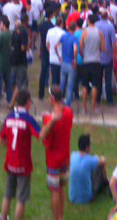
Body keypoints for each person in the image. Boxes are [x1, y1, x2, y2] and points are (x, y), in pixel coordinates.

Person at [0, 89, 41, 220]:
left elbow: (2, 139)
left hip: (10, 161)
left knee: (7, 195)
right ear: (28, 102)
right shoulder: (29, 119)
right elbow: (40, 134)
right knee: (21, 199)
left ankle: (3, 217)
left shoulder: (9, 117)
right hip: (23, 163)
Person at [41, 86, 74, 220]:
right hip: (65, 156)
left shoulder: (50, 119)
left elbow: (42, 135)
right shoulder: (69, 112)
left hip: (53, 159)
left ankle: (56, 218)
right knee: (62, 188)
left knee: (54, 190)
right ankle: (61, 216)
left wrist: (48, 119)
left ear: (52, 99)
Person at [69, 133, 107, 204]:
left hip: (72, 197)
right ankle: (105, 184)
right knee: (100, 166)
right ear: (87, 147)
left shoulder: (73, 155)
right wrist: (99, 157)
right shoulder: (90, 160)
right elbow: (104, 161)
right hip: (86, 198)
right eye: (90, 144)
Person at [79, 14, 105, 115]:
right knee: (95, 85)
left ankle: (84, 107)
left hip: (86, 61)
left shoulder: (84, 32)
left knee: (85, 86)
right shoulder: (99, 33)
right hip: (96, 61)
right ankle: (93, 107)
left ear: (88, 21)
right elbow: (103, 48)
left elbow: (81, 46)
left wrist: (83, 55)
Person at [97, 10, 117, 104]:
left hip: (98, 55)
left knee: (98, 78)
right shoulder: (110, 27)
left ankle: (97, 98)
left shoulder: (96, 25)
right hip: (108, 55)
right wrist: (115, 53)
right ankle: (109, 99)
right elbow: (113, 42)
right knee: (108, 78)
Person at [9, 19, 29, 108]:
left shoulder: (13, 33)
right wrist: (28, 46)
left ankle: (17, 100)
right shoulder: (24, 33)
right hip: (21, 60)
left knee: (15, 81)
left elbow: (11, 45)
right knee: (20, 83)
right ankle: (12, 103)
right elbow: (23, 47)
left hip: (13, 60)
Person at [0, 16, 12, 107]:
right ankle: (9, 100)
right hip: (9, 62)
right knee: (9, 83)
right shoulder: (11, 34)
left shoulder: (1, 35)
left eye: (0, 23)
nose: (0, 25)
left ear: (3, 25)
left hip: (0, 62)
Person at [59, 21, 79, 106]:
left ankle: (59, 101)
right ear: (75, 29)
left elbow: (56, 46)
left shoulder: (63, 36)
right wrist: (75, 59)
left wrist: (59, 56)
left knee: (62, 84)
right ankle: (67, 104)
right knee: (70, 86)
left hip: (63, 62)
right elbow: (75, 49)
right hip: (71, 63)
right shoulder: (74, 38)